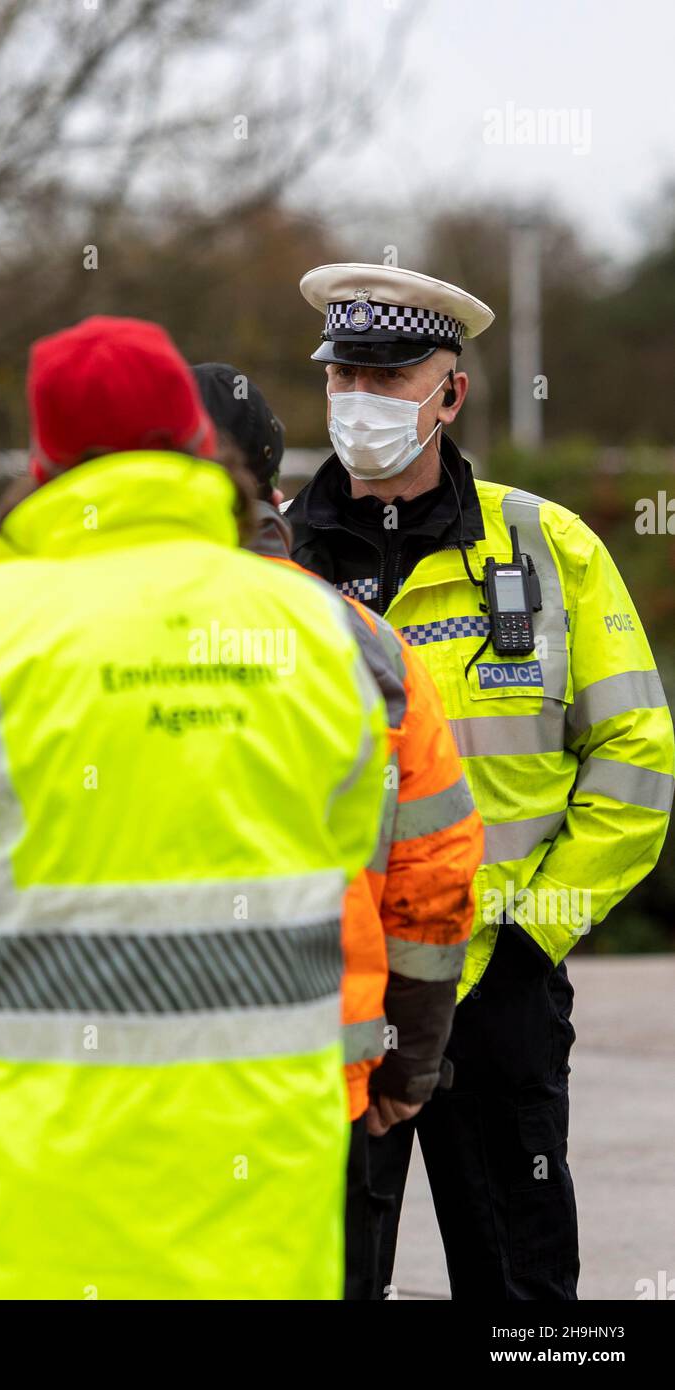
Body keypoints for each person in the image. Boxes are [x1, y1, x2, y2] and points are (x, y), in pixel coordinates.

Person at [0, 315, 392, 1301]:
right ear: (195, 445)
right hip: (259, 1211)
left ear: (39, 459)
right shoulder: (322, 634)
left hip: (8, 1213)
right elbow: (342, 862)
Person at [285, 263, 675, 1300]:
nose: (359, 401)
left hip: (496, 985)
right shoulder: (269, 564)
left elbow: (634, 752)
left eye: (388, 375)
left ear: (448, 393)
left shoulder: (544, 548)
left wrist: (534, 929)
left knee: (519, 1283)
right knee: (313, 1274)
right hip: (323, 985)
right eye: (343, 377)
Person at [193, 360, 483, 1298]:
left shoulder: (22, 638)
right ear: (270, 487)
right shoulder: (361, 644)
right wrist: (411, 1062)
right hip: (314, 1088)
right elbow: (433, 874)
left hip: (82, 1098)